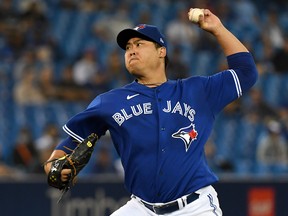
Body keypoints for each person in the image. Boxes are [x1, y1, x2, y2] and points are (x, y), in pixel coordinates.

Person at [44, 7, 258, 216]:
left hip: (195, 207)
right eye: (127, 47)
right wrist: (53, 166)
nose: (132, 50)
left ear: (161, 51)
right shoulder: (110, 102)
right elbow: (70, 143)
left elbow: (246, 72)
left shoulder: (197, 91)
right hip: (141, 208)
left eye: (139, 44)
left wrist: (218, 29)